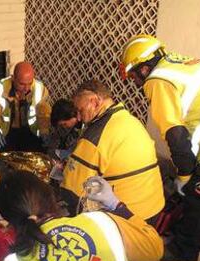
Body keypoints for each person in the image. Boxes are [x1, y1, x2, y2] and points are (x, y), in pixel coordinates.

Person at [120, 34, 200, 261]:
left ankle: (185, 250)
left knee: (199, 193)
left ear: (144, 68)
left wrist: (184, 175)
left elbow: (176, 134)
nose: (134, 81)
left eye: (132, 75)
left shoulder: (158, 80)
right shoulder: (179, 62)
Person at [0, 170, 172, 261]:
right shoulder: (100, 221)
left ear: (7, 220)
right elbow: (155, 248)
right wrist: (116, 205)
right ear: (50, 197)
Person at [60, 79, 165, 223]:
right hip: (154, 208)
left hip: (127, 217)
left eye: (80, 110)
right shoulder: (130, 120)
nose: (78, 117)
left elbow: (71, 191)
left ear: (95, 102)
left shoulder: (95, 136)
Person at [0, 61, 52, 152]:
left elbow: (44, 115)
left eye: (29, 83)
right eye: (22, 84)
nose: (26, 88)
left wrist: (44, 132)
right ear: (13, 78)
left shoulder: (40, 89)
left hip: (31, 132)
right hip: (6, 134)